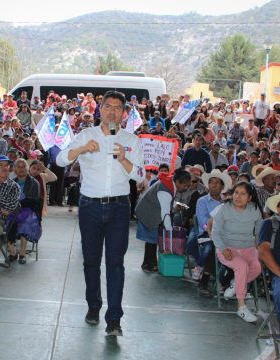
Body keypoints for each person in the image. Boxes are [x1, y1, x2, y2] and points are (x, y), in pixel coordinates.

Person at [56, 90, 145, 337]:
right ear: (100, 109)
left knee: (116, 264)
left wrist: (124, 160)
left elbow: (140, 177)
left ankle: (114, 319)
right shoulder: (86, 135)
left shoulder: (131, 140)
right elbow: (61, 160)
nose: (112, 111)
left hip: (118, 207)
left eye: (118, 107)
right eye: (108, 106)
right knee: (91, 261)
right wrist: (81, 150)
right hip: (90, 207)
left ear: (124, 112)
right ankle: (93, 306)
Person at [211, 181, 263, 322]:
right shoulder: (224, 209)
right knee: (242, 266)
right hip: (226, 248)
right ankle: (241, 308)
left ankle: (235, 284)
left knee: (257, 267)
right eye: (236, 193)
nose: (237, 197)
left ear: (250, 198)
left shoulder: (254, 210)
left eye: (243, 194)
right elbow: (214, 233)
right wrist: (223, 248)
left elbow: (259, 230)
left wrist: (257, 244)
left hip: (248, 247)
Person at [135, 168, 191, 272]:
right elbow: (165, 213)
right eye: (185, 185)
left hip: (148, 210)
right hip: (148, 213)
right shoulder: (165, 190)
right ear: (178, 182)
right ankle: (151, 264)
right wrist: (170, 232)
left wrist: (182, 206)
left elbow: (168, 204)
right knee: (152, 239)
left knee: (150, 239)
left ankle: (147, 263)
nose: (186, 188)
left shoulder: (169, 183)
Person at [0, 155, 21, 261]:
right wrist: (0, 207)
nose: (4, 167)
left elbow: (10, 208)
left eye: (7, 165)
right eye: (0, 164)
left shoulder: (14, 187)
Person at [258, 193, 280, 334]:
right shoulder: (270, 224)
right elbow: (263, 251)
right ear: (278, 207)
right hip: (278, 274)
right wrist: (279, 272)